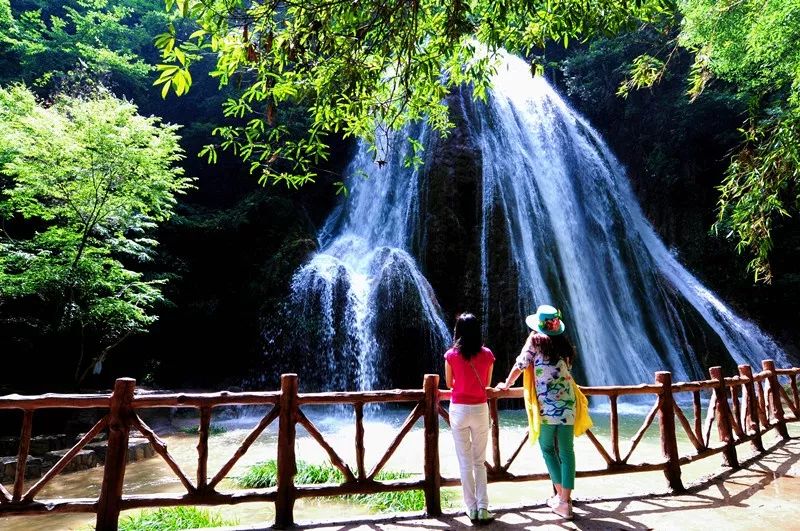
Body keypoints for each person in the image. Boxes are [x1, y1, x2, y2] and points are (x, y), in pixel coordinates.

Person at [495, 304, 591, 520]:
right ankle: (564, 499)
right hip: (569, 403)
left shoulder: (535, 340)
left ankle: (563, 501)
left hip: (548, 406)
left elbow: (521, 364)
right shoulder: (564, 345)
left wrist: (507, 384)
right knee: (567, 452)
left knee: (547, 448)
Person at [444, 312, 495, 524]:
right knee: (479, 461)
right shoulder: (487, 354)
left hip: (458, 410)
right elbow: (487, 382)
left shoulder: (451, 355)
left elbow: (449, 384)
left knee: (464, 463)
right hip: (480, 408)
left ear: (458, 331)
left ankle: (471, 508)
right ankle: (484, 508)